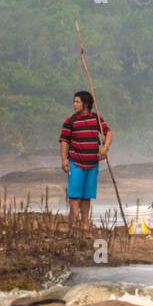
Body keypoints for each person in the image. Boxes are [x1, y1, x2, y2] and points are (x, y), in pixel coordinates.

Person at [59, 91, 111, 230]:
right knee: (75, 194)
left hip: (92, 163)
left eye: (77, 102)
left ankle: (85, 222)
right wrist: (64, 160)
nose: (74, 104)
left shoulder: (96, 118)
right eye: (74, 101)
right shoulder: (70, 121)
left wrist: (105, 148)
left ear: (86, 104)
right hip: (75, 162)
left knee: (87, 195)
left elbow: (108, 132)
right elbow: (64, 141)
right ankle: (74, 222)